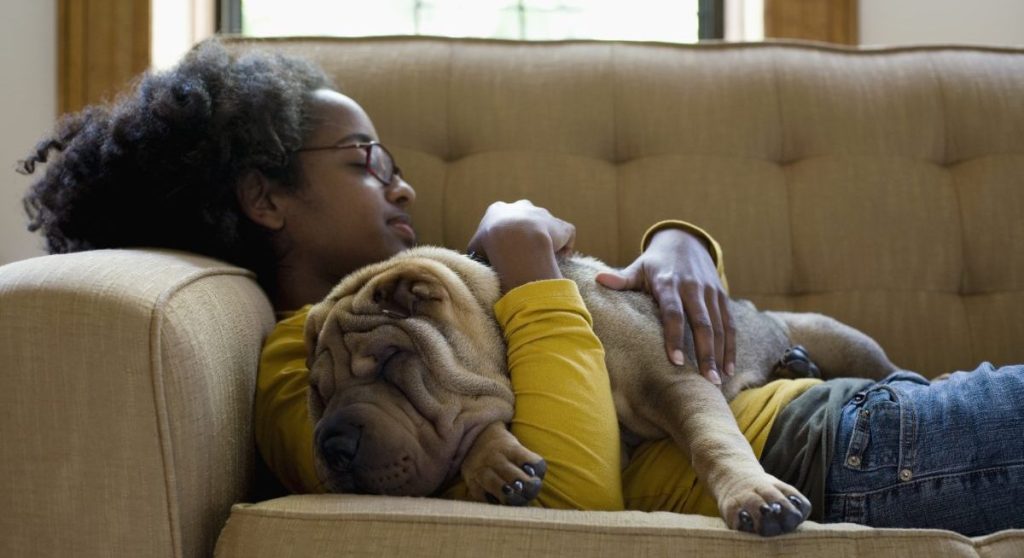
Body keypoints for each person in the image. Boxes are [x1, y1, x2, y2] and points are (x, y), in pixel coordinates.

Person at [18, 40, 1023, 537]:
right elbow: (570, 489)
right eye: (366, 162)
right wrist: (530, 267)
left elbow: (614, 331)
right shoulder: (298, 358)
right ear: (264, 198)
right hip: (828, 451)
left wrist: (680, 243)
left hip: (836, 405)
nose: (400, 184)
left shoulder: (424, 287)